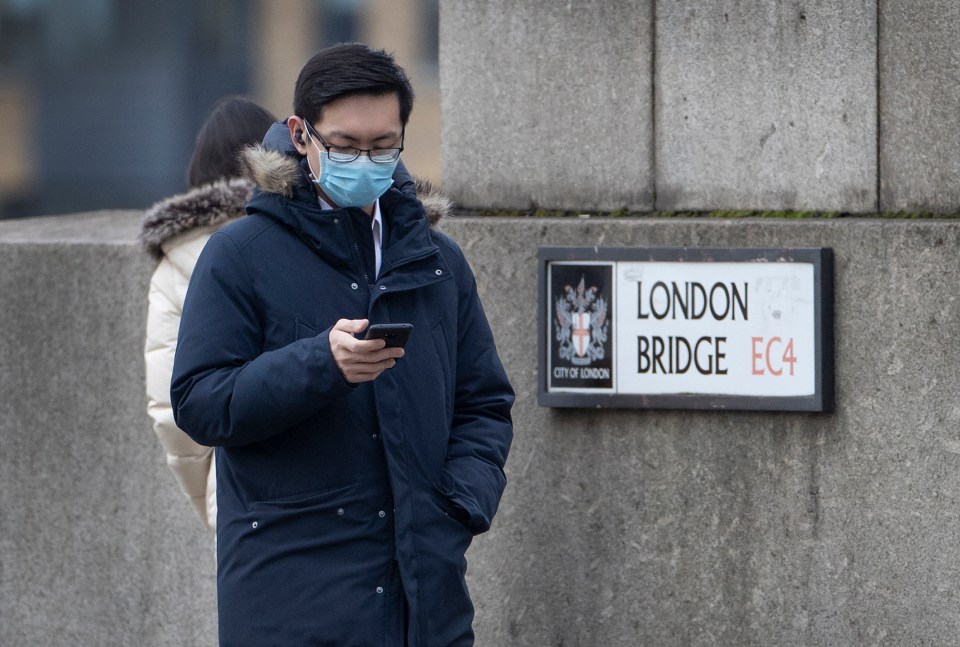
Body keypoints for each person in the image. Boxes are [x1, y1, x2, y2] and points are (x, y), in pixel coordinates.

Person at [170, 43, 514, 646]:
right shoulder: (239, 255)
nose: (367, 161)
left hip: (427, 601)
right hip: (292, 603)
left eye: (384, 146)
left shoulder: (438, 262)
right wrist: (319, 363)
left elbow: (484, 403)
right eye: (347, 146)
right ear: (301, 136)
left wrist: (456, 506)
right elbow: (200, 402)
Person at [142, 93, 423, 532]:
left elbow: (172, 412)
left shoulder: (182, 257)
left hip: (247, 492)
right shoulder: (339, 232)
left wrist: (211, 499)